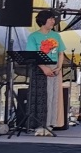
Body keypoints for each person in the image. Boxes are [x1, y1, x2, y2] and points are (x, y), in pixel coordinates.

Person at [25, 8, 65, 136]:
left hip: (54, 67)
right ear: (43, 21)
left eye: (54, 19)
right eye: (51, 19)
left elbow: (61, 52)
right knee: (42, 96)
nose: (53, 21)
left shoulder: (56, 35)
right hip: (39, 68)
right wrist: (43, 67)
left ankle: (50, 124)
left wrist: (59, 67)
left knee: (53, 96)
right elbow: (32, 54)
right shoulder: (34, 36)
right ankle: (39, 125)